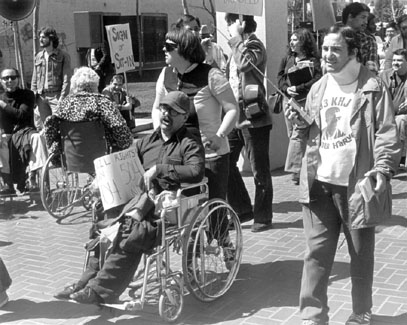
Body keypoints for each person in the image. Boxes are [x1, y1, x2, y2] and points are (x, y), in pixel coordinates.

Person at [286, 26, 400, 325]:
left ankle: (361, 312)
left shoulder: (373, 87)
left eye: (336, 49)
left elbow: (387, 132)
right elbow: (307, 130)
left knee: (360, 256)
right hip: (320, 183)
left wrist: (383, 168)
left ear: (352, 52)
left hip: (356, 186)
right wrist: (296, 125)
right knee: (316, 254)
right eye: (325, 49)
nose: (328, 55)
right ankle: (312, 315)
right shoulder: (319, 87)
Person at [54, 90, 205, 304]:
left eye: (173, 111)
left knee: (132, 230)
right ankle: (87, 280)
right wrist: (102, 179)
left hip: (163, 205)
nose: (166, 114)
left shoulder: (189, 142)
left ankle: (100, 290)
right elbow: (124, 162)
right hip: (135, 199)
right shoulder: (146, 141)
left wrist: (159, 169)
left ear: (184, 117)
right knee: (102, 219)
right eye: (163, 108)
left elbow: (196, 171)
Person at [151, 28, 238, 210]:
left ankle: (222, 238)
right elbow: (157, 107)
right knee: (181, 214)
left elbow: (232, 109)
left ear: (184, 49)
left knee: (214, 214)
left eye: (168, 46)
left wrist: (220, 136)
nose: (163, 50)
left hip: (210, 155)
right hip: (177, 156)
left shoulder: (211, 75)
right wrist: (160, 133)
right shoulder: (166, 74)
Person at [224, 13, 273, 232]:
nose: (227, 28)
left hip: (254, 119)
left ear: (241, 23)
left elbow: (245, 64)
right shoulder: (236, 47)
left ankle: (263, 216)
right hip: (235, 117)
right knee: (224, 163)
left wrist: (236, 38)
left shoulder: (254, 45)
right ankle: (242, 208)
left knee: (259, 171)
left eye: (230, 23)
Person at [44, 67, 133, 160]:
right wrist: (126, 141)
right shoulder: (102, 102)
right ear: (96, 84)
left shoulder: (64, 104)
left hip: (72, 156)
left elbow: (50, 124)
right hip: (102, 156)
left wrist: (54, 149)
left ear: (74, 85)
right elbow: (119, 126)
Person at [277, 28, 322, 184]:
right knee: (292, 134)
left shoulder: (314, 60)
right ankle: (302, 165)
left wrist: (299, 88)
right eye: (291, 39)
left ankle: (296, 171)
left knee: (299, 132)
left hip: (304, 101)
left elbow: (317, 79)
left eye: (295, 39)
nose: (292, 42)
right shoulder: (287, 59)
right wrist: (286, 88)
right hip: (288, 101)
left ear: (304, 41)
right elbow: (280, 78)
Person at [0, 68, 48, 195]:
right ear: (1, 81)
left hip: (26, 130)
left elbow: (21, 115)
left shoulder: (27, 95)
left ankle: (33, 176)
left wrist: (2, 105)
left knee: (37, 138)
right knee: (2, 142)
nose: (9, 80)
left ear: (18, 79)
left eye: (13, 77)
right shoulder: (1, 97)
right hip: (7, 134)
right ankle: (7, 183)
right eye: (6, 78)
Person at [31, 26, 71, 125]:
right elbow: (34, 78)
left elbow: (67, 79)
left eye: (43, 37)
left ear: (51, 38)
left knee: (59, 124)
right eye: (40, 37)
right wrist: (33, 96)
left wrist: (62, 97)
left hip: (56, 95)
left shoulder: (63, 55)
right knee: (46, 127)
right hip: (41, 97)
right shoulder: (39, 56)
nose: (40, 39)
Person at [379, 49, 407, 167]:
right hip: (385, 113)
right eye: (394, 60)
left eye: (399, 60)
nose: (395, 63)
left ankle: (397, 159)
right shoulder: (384, 75)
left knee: (400, 121)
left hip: (402, 115)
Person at [342, 2, 378, 68]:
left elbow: (371, 71)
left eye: (367, 18)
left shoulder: (368, 41)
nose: (366, 22)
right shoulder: (333, 38)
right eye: (363, 17)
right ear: (350, 17)